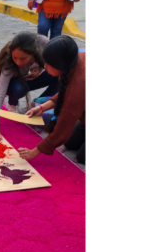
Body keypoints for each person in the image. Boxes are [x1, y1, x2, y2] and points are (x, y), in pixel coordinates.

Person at [18, 36, 101, 165]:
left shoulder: (80, 84)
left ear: (60, 64)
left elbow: (63, 128)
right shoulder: (77, 59)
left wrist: (34, 152)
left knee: (83, 155)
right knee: (70, 143)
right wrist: (41, 108)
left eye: (48, 63)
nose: (44, 66)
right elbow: (65, 93)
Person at [0, 32, 58, 142]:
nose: (18, 62)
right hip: (19, 83)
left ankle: (38, 105)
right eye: (15, 57)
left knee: (59, 77)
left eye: (23, 58)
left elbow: (56, 64)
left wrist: (40, 68)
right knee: (17, 89)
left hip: (36, 77)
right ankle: (13, 103)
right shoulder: (9, 65)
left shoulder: (43, 44)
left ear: (33, 53)